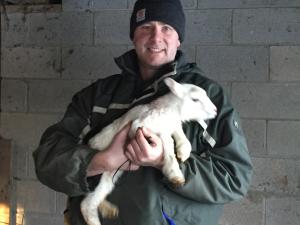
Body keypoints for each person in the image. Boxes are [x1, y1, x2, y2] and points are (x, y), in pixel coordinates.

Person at [33, 0, 253, 225]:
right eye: (146, 27)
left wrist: (162, 162)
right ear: (133, 36)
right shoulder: (98, 96)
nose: (156, 38)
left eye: (167, 28)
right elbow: (47, 159)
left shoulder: (207, 98)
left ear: (179, 39)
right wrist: (100, 161)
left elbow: (235, 178)